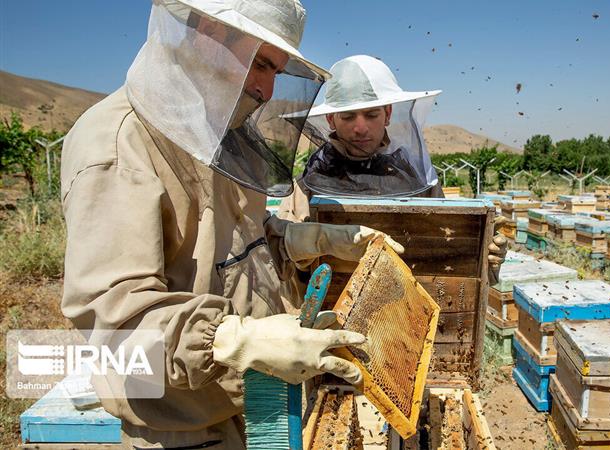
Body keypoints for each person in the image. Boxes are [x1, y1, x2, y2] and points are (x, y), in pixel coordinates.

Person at [59, 1, 399, 447]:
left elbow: (242, 242)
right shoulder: (119, 145)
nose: (266, 88)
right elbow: (112, 323)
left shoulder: (217, 130)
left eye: (277, 71)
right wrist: (237, 341)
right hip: (179, 426)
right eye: (260, 64)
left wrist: (309, 238)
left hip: (253, 399)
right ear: (204, 33)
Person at [279, 55, 507, 274]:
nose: (360, 128)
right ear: (331, 120)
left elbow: (444, 252)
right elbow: (282, 265)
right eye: (348, 116)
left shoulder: (419, 182)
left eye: (371, 115)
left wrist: (483, 256)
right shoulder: (303, 189)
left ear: (387, 114)